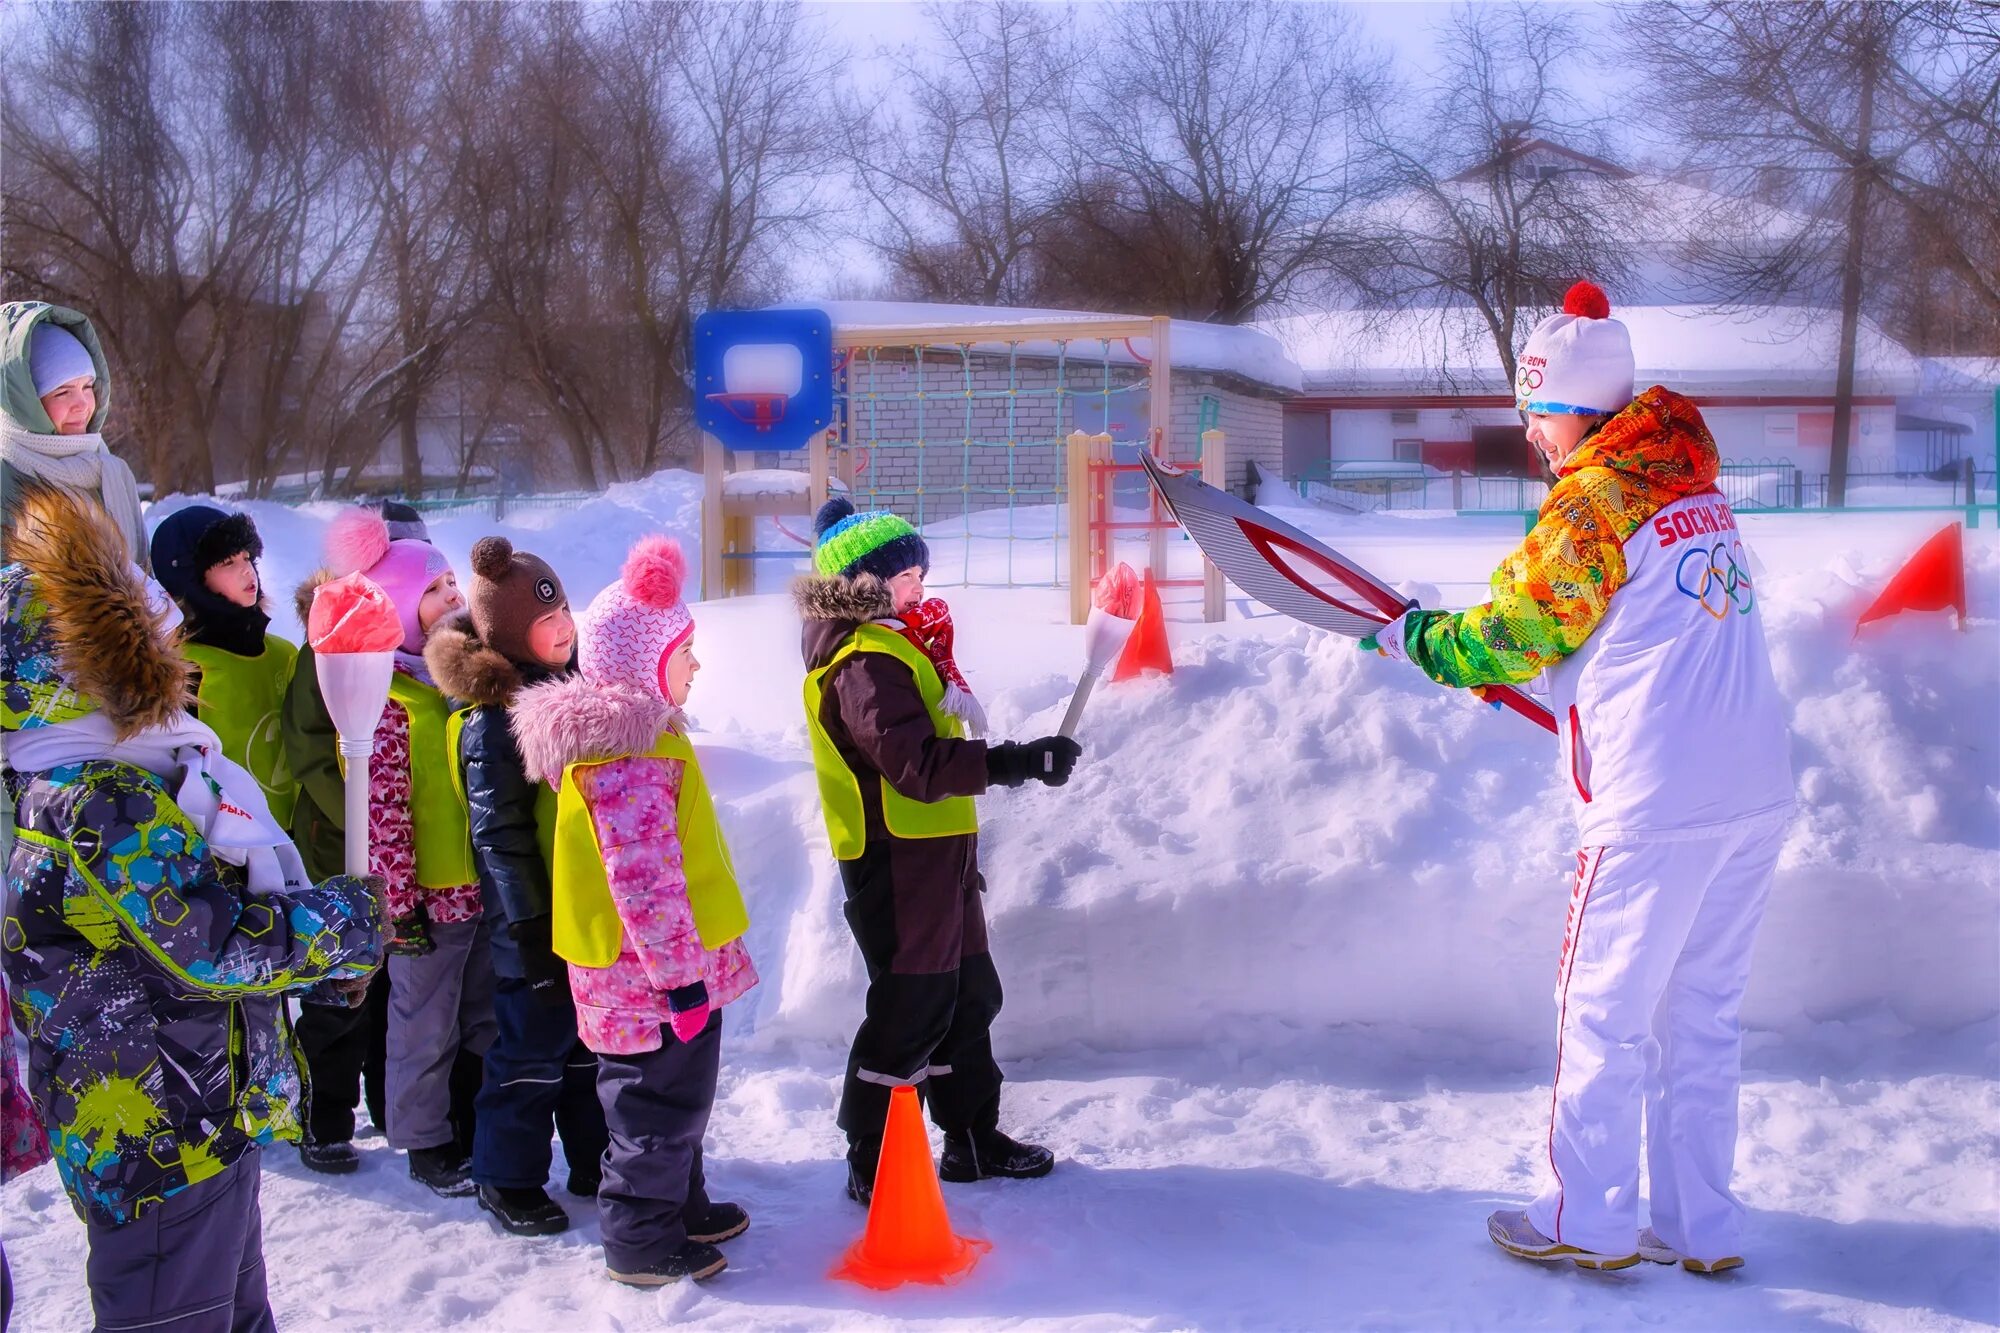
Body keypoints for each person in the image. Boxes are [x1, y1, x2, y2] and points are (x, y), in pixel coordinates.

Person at [1363, 281, 1794, 1274]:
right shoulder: (1687, 483)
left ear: (1569, 410)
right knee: (1699, 1012)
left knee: (1597, 1006)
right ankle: (1700, 1227)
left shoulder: (1593, 499)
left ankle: (1585, 1218)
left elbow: (1517, 629)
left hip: (1652, 802)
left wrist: (1423, 639)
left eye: (1535, 416)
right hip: (1750, 787)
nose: (1532, 440)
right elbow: (1633, 633)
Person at [2, 485, 381, 1331]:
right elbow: (203, 944)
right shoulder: (97, 800)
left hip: (201, 1117)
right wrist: (336, 928)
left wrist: (315, 965)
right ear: (93, 671)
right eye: (152, 643)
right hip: (160, 1140)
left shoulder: (132, 781)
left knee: (236, 1312)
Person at [796, 496, 1080, 1205]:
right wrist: (1014, 761)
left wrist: (1017, 761)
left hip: (940, 859)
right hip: (894, 864)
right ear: (864, 585)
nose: (920, 586)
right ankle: (874, 1153)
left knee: (969, 996)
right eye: (906, 577)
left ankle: (972, 1138)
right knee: (910, 1009)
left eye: (919, 572)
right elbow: (915, 764)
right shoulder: (862, 662)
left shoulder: (899, 643)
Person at [511, 535, 757, 1287]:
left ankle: (678, 1206)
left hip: (659, 973)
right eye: (686, 653)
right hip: (647, 980)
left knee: (677, 1101)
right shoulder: (628, 762)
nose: (697, 666)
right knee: (653, 1107)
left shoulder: (646, 743)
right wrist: (683, 981)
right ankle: (640, 1241)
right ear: (647, 663)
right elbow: (644, 885)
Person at [426, 537, 609, 1237]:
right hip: (529, 922)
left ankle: (598, 1156)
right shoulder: (490, 722)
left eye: (563, 607)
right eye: (545, 618)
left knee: (591, 1044)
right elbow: (497, 833)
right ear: (508, 632)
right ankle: (506, 1175)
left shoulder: (569, 689)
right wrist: (529, 925)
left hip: (582, 908)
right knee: (532, 1051)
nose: (563, 624)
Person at [149, 503, 299, 822]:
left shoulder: (284, 654)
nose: (247, 570)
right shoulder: (183, 669)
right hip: (227, 847)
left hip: (298, 834)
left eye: (247, 557)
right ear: (191, 579)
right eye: (228, 563)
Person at [0, 301, 147, 567]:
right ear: (27, 401)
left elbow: (143, 574)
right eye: (62, 392)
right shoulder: (6, 476)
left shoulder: (103, 465)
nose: (82, 404)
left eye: (87, 386)